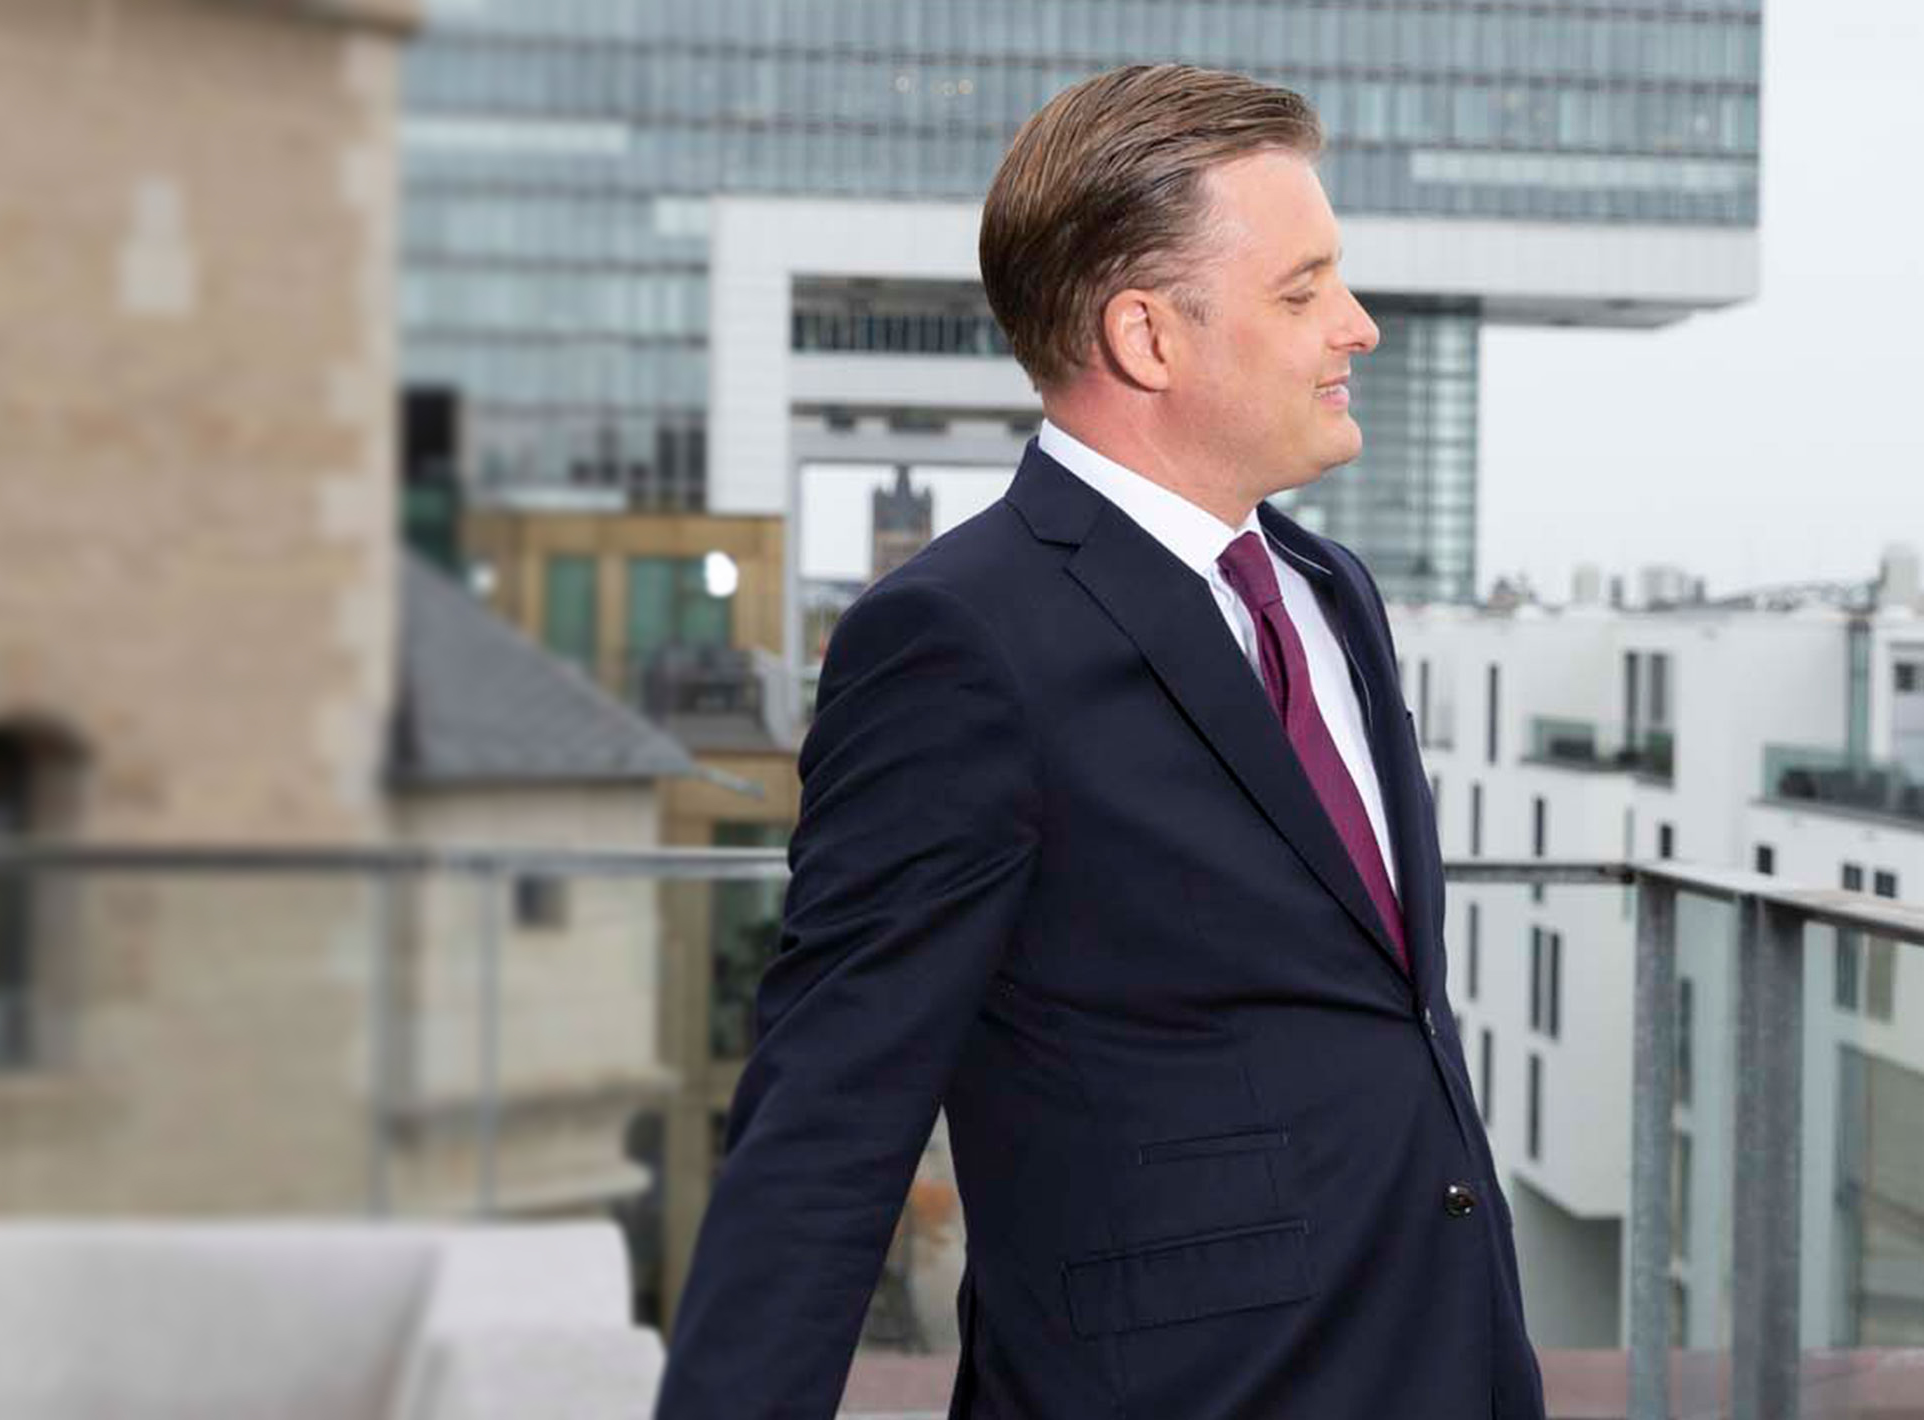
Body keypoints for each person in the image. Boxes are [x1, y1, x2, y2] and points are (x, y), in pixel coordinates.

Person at [658, 66, 1542, 1419]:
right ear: (1147, 335)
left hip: (1442, 1359)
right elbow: (829, 1117)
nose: (1355, 327)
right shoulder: (955, 640)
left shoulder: (1329, 592)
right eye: (1303, 292)